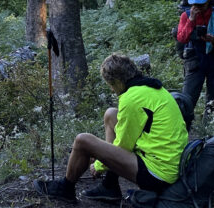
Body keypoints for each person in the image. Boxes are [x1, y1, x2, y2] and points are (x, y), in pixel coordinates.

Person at [34, 53, 188, 203]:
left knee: (83, 140)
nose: (112, 90)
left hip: (159, 174)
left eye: (111, 85)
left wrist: (99, 165)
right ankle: (110, 185)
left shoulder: (132, 99)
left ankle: (65, 189)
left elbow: (123, 146)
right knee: (111, 114)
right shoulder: (150, 88)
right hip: (171, 164)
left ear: (118, 81)